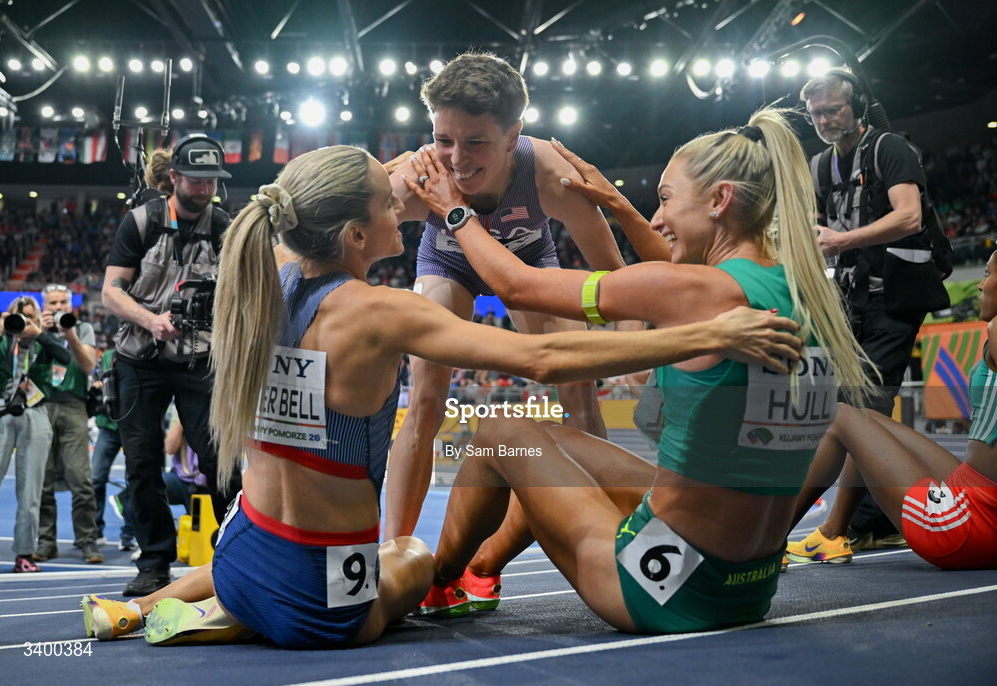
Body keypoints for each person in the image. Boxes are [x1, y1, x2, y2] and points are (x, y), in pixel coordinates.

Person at [80, 144, 803, 647]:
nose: (410, 207)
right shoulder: (378, 311)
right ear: (360, 233)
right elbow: (543, 355)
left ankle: (143, 605)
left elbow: (319, 197)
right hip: (323, 602)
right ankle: (241, 615)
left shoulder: (264, 269)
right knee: (413, 557)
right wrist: (706, 337)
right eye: (393, 204)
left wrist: (415, 168)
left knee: (264, 554)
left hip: (246, 551)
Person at [402, 107, 873, 632]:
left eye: (666, 200)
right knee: (556, 444)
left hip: (662, 587)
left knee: (499, 435)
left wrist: (454, 211)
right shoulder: (800, 288)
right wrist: (620, 206)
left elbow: (517, 286)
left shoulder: (697, 291)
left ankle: (431, 583)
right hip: (751, 584)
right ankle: (482, 568)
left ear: (719, 201)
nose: (656, 218)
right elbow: (683, 273)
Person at [384, 53, 654, 540]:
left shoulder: (549, 173)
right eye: (443, 140)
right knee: (425, 398)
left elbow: (614, 275)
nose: (458, 161)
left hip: (527, 264)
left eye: (476, 143)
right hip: (448, 263)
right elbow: (344, 240)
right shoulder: (418, 176)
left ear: (514, 137)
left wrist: (634, 349)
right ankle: (394, 550)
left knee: (579, 386)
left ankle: (612, 535)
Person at [797, 69, 949, 551]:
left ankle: (835, 530)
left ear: (858, 107)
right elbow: (816, 230)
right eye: (816, 113)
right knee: (854, 412)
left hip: (894, 298)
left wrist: (841, 240)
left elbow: (909, 216)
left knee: (860, 412)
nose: (823, 119)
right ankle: (874, 519)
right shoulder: (821, 164)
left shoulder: (889, 148)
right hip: (849, 301)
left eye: (833, 109)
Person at [785, 250, 997, 570]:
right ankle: (831, 532)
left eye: (988, 273)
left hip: (965, 527)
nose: (980, 285)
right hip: (980, 495)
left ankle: (764, 543)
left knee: (840, 416)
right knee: (870, 420)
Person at [102, 134, 241, 596]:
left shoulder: (224, 226)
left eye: (212, 182)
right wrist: (151, 320)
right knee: (142, 460)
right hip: (138, 358)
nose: (204, 190)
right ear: (175, 178)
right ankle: (155, 560)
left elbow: (245, 292)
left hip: (199, 357)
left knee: (219, 456)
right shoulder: (139, 223)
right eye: (196, 180)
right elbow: (111, 292)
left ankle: (236, 552)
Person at [0, 296, 71, 573]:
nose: (24, 321)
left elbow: (66, 358)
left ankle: (25, 554)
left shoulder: (46, 339)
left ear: (37, 318)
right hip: (1, 412)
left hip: (35, 413)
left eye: (30, 316)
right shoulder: (2, 338)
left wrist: (40, 334)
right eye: (20, 316)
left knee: (30, 493)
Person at [33, 284, 103, 564]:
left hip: (74, 404)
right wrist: (38, 330)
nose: (58, 306)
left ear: (71, 305)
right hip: (39, 405)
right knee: (42, 480)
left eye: (63, 301)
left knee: (80, 479)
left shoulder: (82, 328)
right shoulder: (33, 327)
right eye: (52, 302)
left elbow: (88, 366)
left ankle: (87, 540)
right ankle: (46, 541)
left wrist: (68, 333)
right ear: (43, 306)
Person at [90, 348, 135, 552]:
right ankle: (96, 529)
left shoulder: (139, 355)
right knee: (96, 477)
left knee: (133, 481)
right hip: (108, 427)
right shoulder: (106, 357)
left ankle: (129, 534)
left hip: (132, 427)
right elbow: (95, 379)